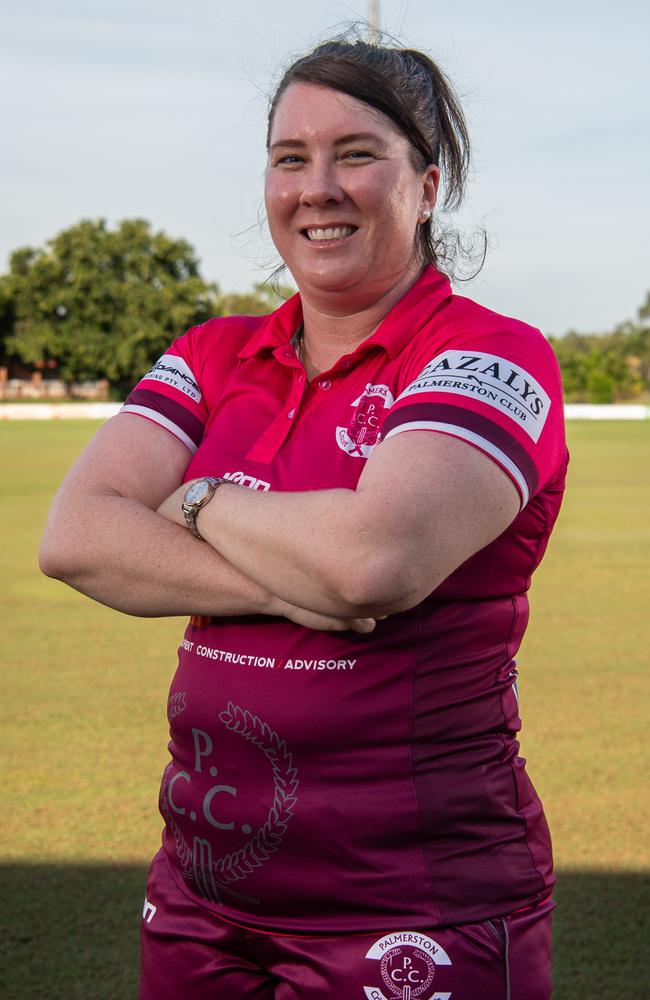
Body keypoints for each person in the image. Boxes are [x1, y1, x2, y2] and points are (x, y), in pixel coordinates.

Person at [40, 33, 568, 1000]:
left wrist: (199, 501)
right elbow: (75, 538)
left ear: (427, 183)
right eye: (291, 159)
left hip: (414, 904)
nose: (316, 187)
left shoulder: (496, 354)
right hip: (202, 895)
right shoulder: (212, 353)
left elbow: (374, 564)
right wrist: (300, 573)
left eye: (357, 153)